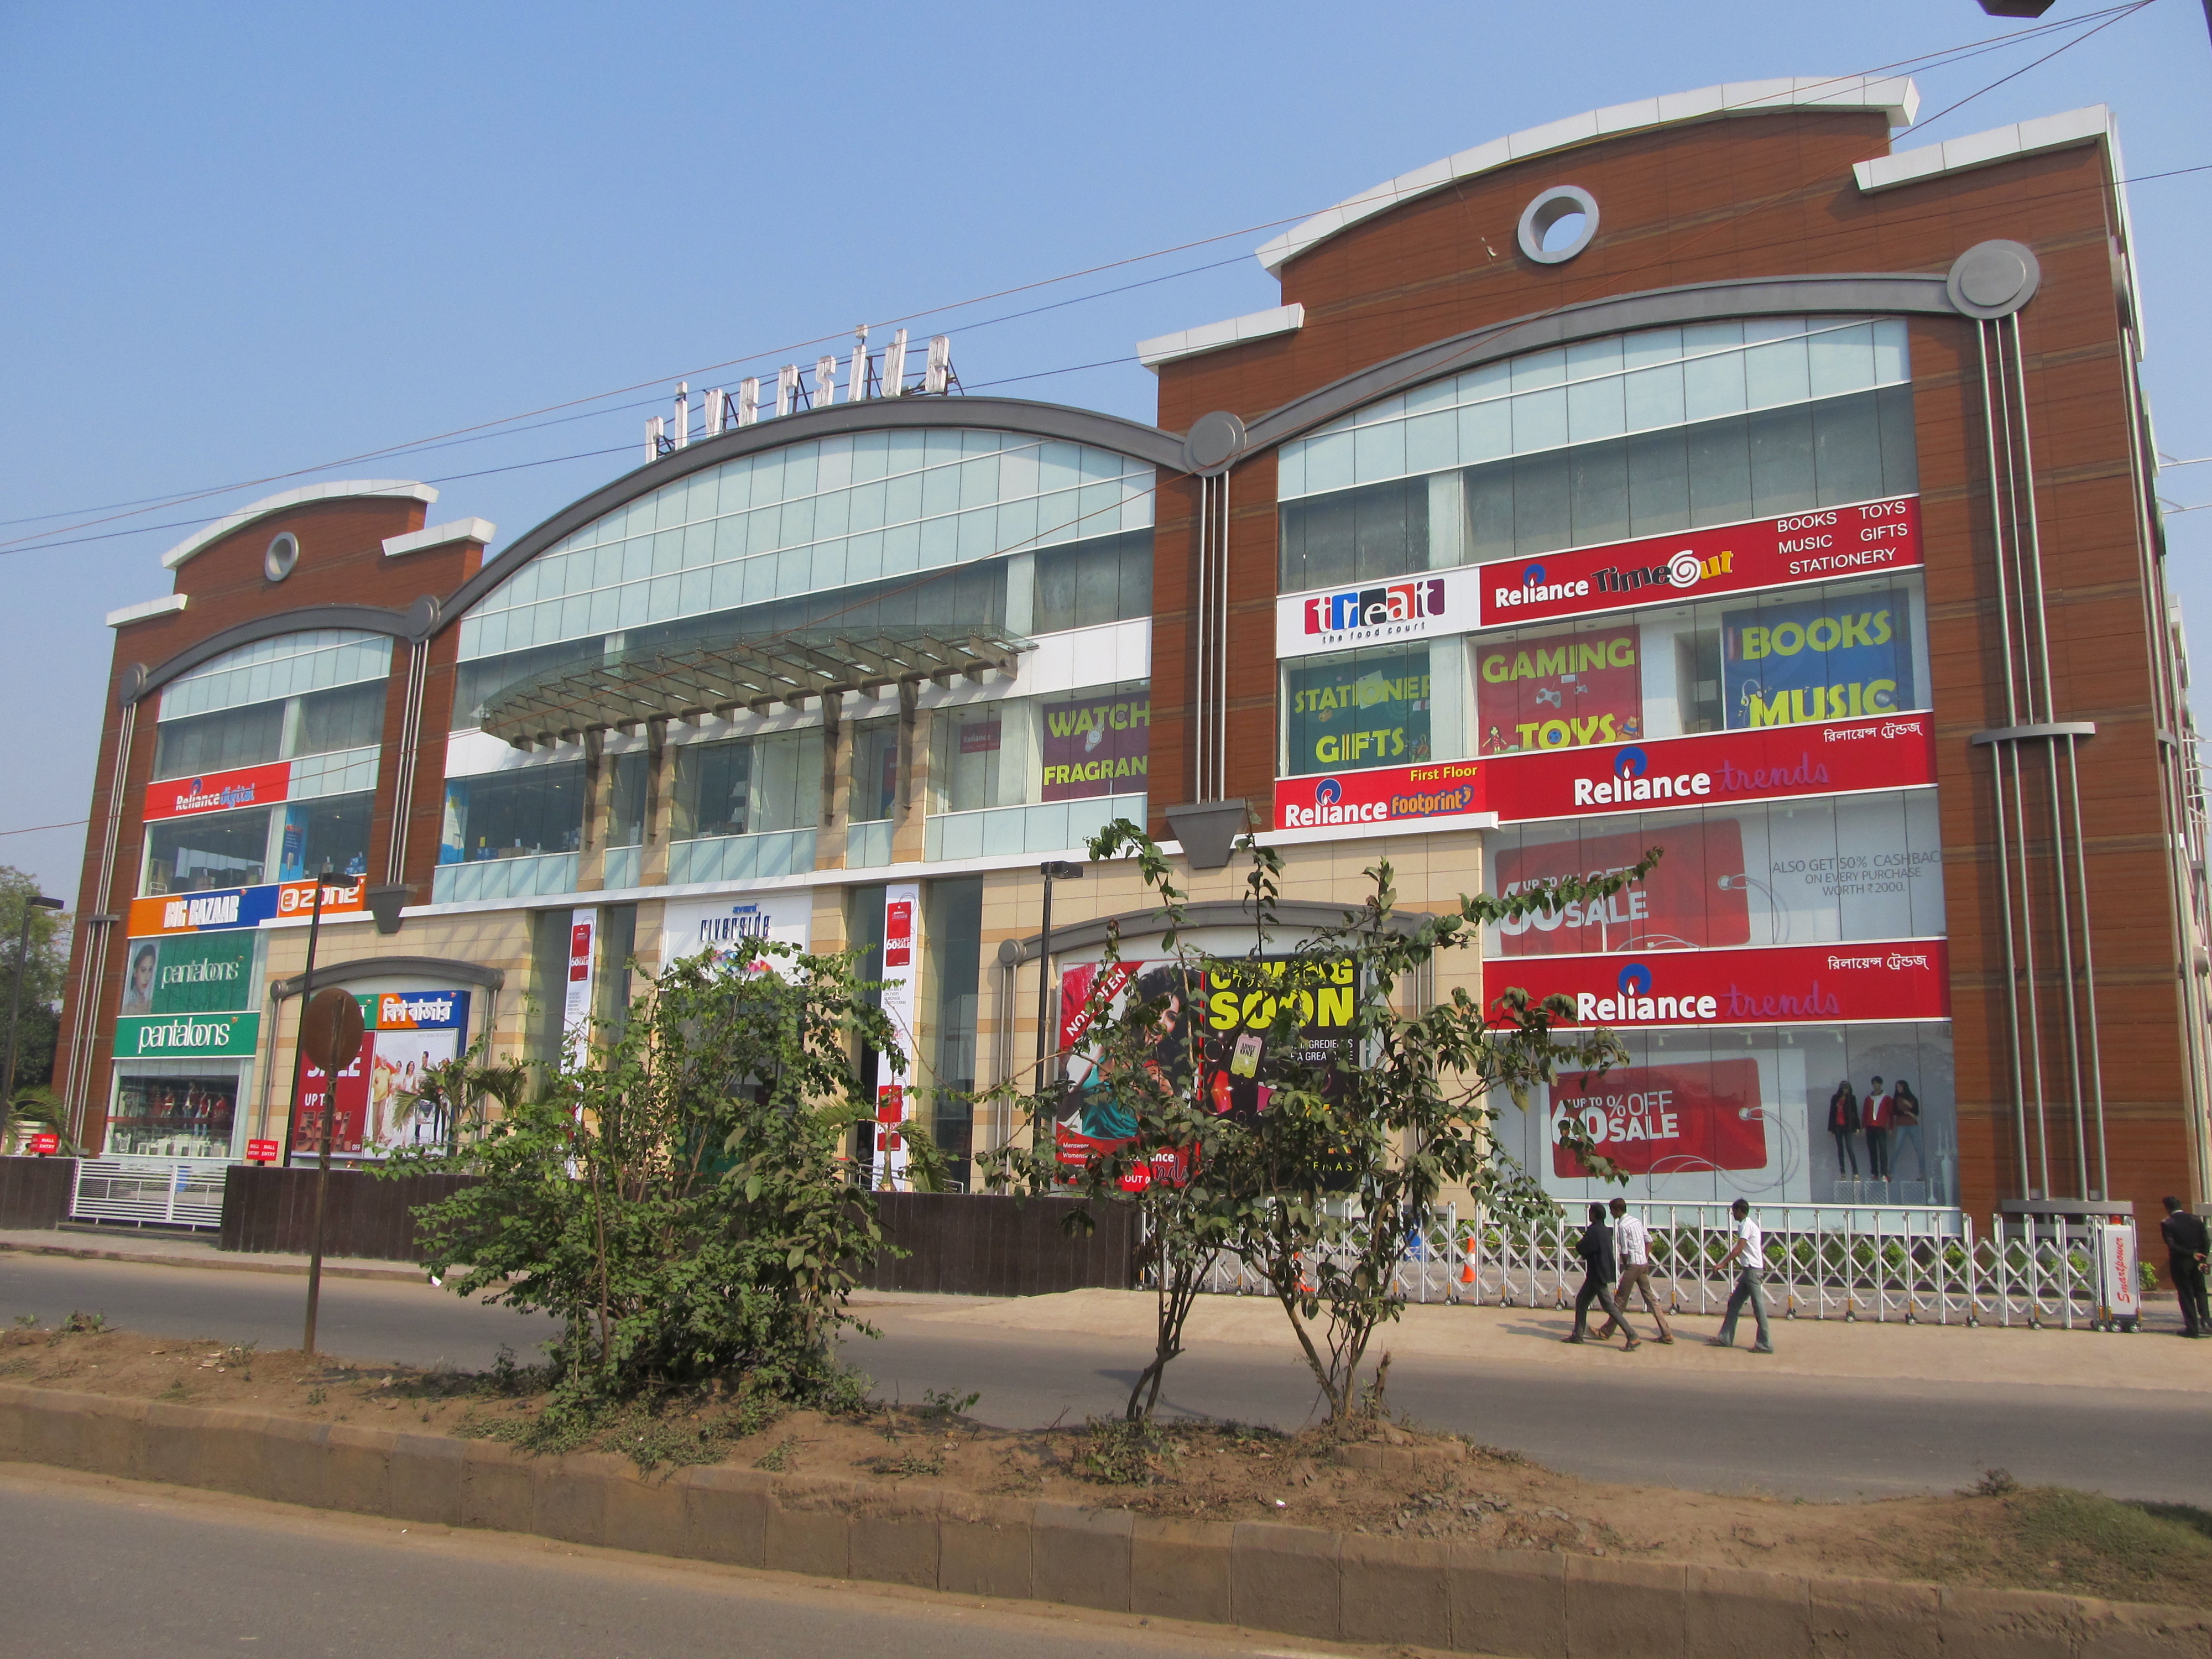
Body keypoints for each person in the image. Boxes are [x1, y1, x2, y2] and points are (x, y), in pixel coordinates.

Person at [1597, 1195, 1673, 1344]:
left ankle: (1606, 1332)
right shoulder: (1637, 1221)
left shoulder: (1622, 1226)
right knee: (1651, 1299)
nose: (1611, 1213)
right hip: (1643, 1264)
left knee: (1620, 1299)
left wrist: (1627, 1266)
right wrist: (1644, 1256)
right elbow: (1649, 1241)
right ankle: (1666, 1332)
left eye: (1612, 1210)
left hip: (1633, 1265)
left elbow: (1624, 1250)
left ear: (1618, 1210)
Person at [1566, 1201, 1639, 1349]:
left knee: (1609, 1307)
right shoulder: (1605, 1230)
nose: (1589, 1215)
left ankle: (1632, 1335)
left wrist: (1579, 1245)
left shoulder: (1594, 1231)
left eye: (1590, 1213)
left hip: (1597, 1274)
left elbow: (1584, 1248)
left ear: (1594, 1215)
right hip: (1600, 1273)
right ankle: (1577, 1335)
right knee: (1581, 1301)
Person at [1708, 1198, 1773, 1353]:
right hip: (1748, 1270)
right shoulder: (1748, 1225)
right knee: (1735, 1303)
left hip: (1752, 1270)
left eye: (1734, 1211)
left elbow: (1739, 1248)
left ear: (1739, 1210)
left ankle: (1765, 1344)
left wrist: (1722, 1264)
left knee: (1758, 1307)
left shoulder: (1746, 1226)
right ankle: (1725, 1338)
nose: (1733, 1214)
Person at [2159, 1196, 2210, 1339]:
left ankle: (2192, 1329)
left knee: (2186, 1294)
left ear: (2168, 1208)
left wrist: (2190, 1254)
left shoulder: (2168, 1223)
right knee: (2201, 1291)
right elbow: (2206, 1241)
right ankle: (2207, 1321)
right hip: (2199, 1261)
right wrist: (2203, 1258)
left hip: (2181, 1262)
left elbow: (2172, 1245)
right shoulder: (2196, 1220)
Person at [1891, 1078, 1925, 1181]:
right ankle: (1890, 1172)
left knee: (1919, 1150)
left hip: (1912, 1125)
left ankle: (1922, 1174)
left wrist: (1909, 1106)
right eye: (1897, 1087)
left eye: (1900, 1087)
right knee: (1897, 1149)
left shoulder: (1912, 1099)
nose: (1899, 1089)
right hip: (1902, 1125)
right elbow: (1896, 1111)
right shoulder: (1897, 1099)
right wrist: (1908, 1112)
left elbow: (1916, 1112)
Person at [1861, 1075, 1893, 1180]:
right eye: (1874, 1083)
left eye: (1877, 1083)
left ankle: (1885, 1174)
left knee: (1883, 1150)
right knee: (1872, 1150)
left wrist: (1891, 1127)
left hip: (1881, 1127)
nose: (1876, 1085)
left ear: (1881, 1084)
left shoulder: (1887, 1098)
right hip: (1871, 1127)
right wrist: (1864, 1127)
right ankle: (1875, 1173)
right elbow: (1865, 1113)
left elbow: (1891, 1114)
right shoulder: (1868, 1098)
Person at [1827, 1078, 1860, 1176]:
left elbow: (1855, 1113)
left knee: (1849, 1148)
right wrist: (1831, 1129)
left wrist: (1857, 1127)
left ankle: (1855, 1172)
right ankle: (1843, 1172)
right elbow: (1832, 1113)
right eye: (1845, 1088)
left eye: (1848, 1088)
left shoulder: (1852, 1099)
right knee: (1840, 1149)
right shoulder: (1835, 1098)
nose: (1846, 1090)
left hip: (1848, 1126)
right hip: (1838, 1127)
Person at [121, 943, 159, 1018]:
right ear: (135, 972)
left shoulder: (152, 1004)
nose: (147, 977)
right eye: (143, 970)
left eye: (150, 970)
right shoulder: (128, 1010)